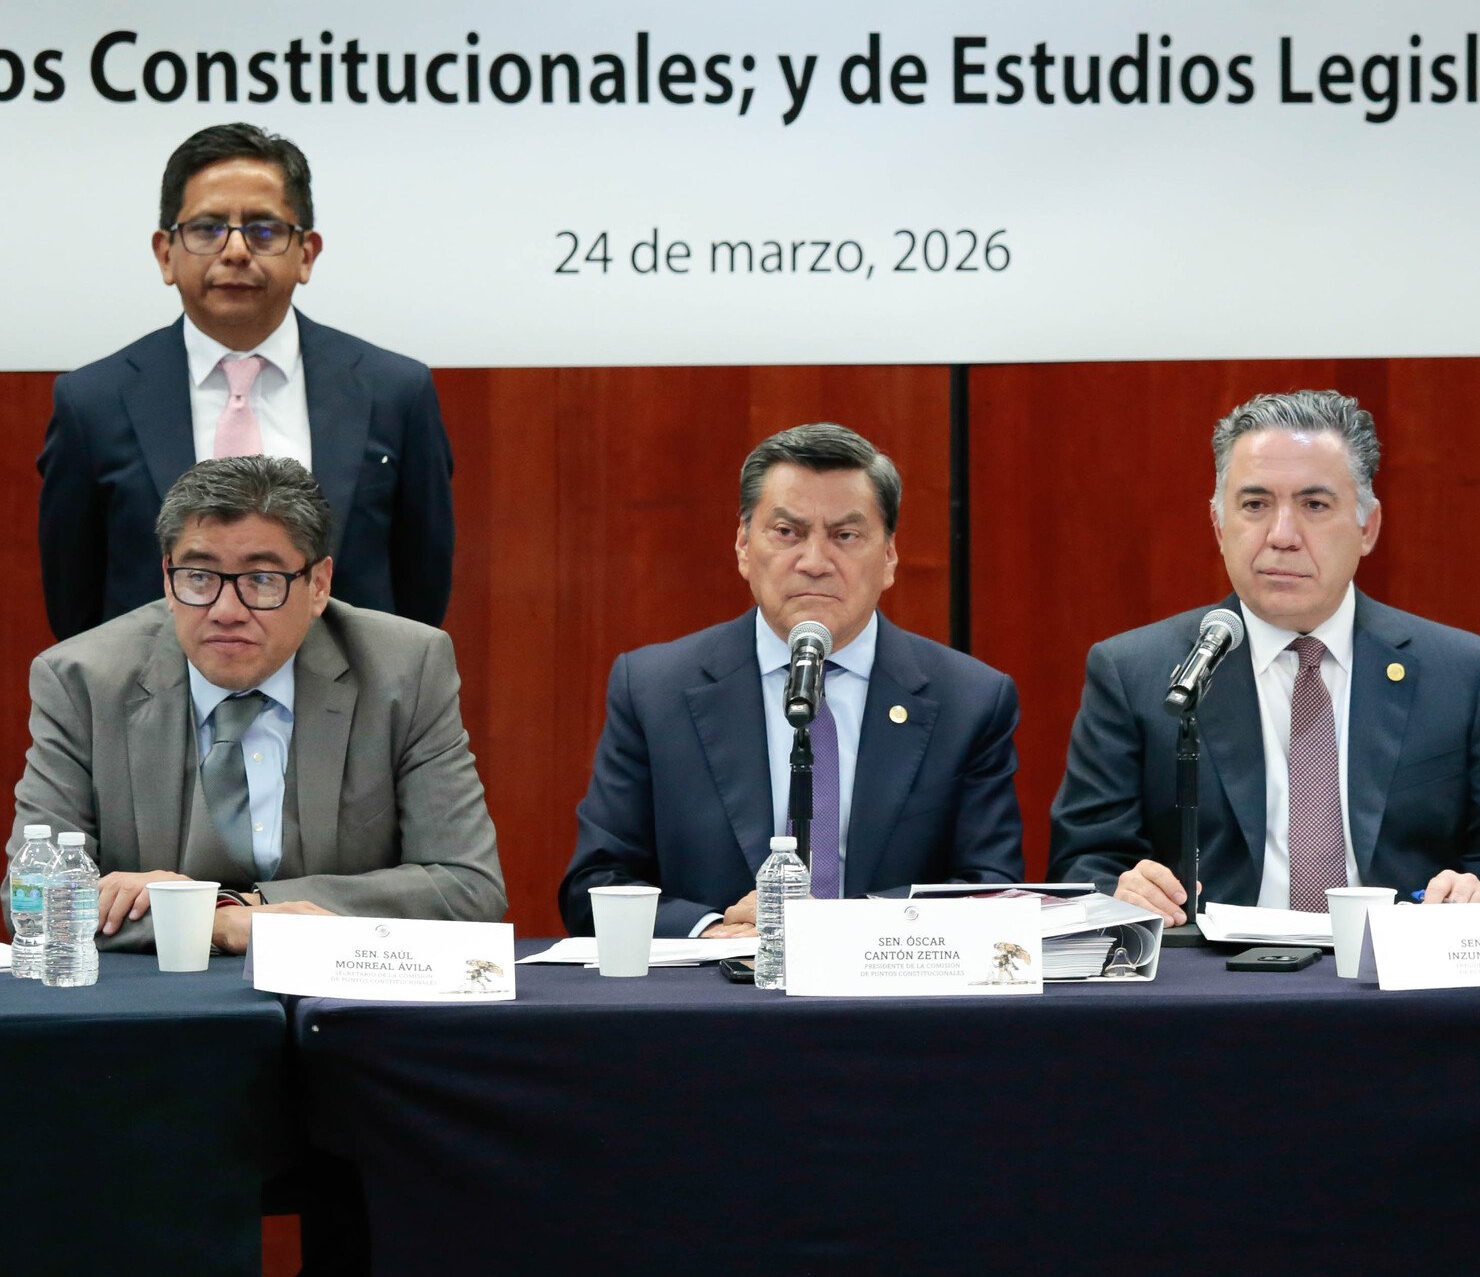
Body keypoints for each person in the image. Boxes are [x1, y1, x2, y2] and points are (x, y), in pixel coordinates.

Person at [1052, 390, 1480, 919]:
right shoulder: (1137, 671)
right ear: (1218, 524)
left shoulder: (1457, 672)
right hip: (1215, 986)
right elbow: (1081, 867)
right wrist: (1123, 893)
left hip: (1395, 983)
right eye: (1254, 505)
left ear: (1367, 528)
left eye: (1314, 505)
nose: (1282, 535)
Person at [9, 455, 504, 956]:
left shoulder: (403, 669)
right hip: (157, 1006)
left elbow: (467, 887)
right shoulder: (82, 680)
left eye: (262, 580)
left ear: (318, 586)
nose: (226, 611)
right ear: (167, 579)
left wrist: (246, 909)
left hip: (342, 1000)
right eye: (199, 577)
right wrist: (219, 924)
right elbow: (30, 901)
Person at [560, 424, 1023, 938]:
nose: (815, 563)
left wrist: (849, 932)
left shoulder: (970, 699)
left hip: (889, 1003)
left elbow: (991, 889)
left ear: (889, 556)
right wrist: (709, 928)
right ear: (742, 545)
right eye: (787, 533)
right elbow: (595, 884)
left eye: (845, 536)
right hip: (712, 1003)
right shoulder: (653, 690)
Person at [40, 122, 455, 641]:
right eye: (207, 228)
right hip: (154, 712)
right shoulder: (92, 404)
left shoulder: (395, 392)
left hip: (352, 712)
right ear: (165, 253)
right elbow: (75, 608)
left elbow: (421, 591)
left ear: (305, 254)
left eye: (263, 229)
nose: (235, 250)